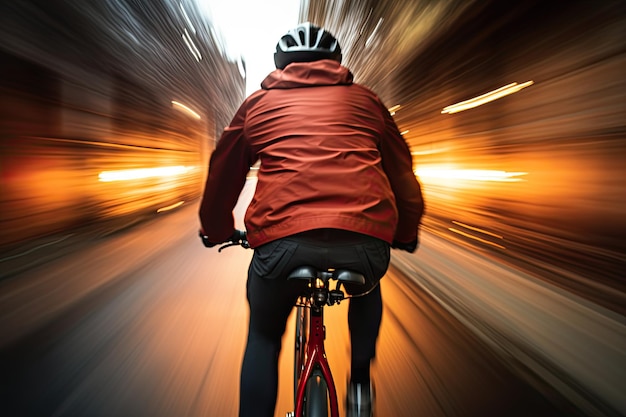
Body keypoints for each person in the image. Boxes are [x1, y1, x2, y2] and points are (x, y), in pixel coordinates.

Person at [199, 22, 424, 417]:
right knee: (367, 289)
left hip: (281, 243)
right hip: (364, 241)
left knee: (264, 336)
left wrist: (217, 229)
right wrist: (405, 232)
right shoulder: (367, 102)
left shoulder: (257, 105)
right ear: (336, 63)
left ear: (280, 65)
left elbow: (223, 175)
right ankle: (359, 387)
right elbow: (402, 172)